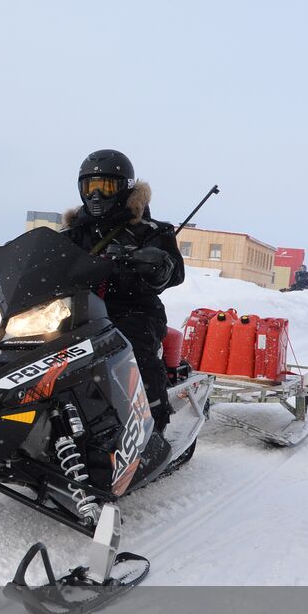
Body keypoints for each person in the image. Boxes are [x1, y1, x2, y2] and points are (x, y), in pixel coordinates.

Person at [61, 148, 184, 432]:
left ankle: (154, 423)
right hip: (78, 312)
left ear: (125, 188)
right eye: (89, 187)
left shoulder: (150, 230)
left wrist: (156, 266)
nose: (96, 196)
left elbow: (174, 273)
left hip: (133, 309)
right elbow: (47, 261)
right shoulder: (72, 233)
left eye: (105, 187)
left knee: (132, 347)